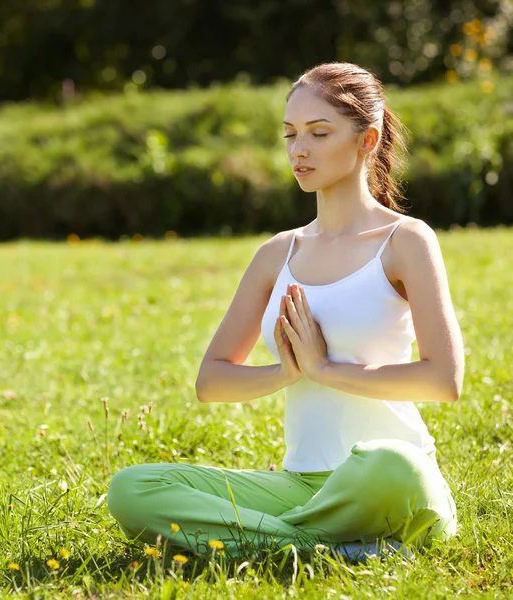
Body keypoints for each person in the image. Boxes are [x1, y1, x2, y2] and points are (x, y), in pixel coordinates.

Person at [106, 62, 465, 560]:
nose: (299, 149)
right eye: (290, 134)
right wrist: (284, 372)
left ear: (367, 140)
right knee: (131, 489)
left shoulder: (405, 241)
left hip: (387, 477)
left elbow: (443, 379)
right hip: (303, 484)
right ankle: (333, 547)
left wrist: (325, 370)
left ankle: (270, 540)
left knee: (392, 466)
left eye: (319, 133)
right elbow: (211, 381)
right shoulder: (278, 253)